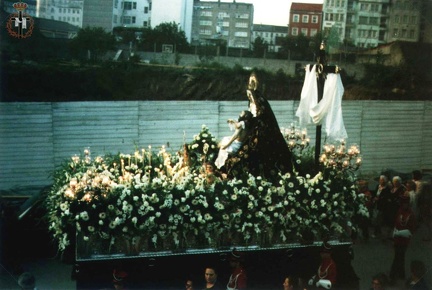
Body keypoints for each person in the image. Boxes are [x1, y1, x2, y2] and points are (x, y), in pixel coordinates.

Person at [244, 73, 294, 178]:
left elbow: (262, 116)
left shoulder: (260, 102)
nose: (248, 97)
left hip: (264, 132)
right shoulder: (251, 103)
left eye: (250, 95)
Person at [389, 195, 417, 283]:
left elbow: (412, 229)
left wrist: (400, 232)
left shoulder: (411, 214)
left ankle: (394, 274)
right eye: (403, 204)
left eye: (406, 204)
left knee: (399, 256)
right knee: (399, 256)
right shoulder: (400, 211)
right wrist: (395, 232)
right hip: (397, 238)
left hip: (404, 239)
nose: (404, 205)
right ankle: (400, 274)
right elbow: (396, 223)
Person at [374, 175, 394, 240]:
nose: (380, 181)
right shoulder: (378, 186)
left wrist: (379, 199)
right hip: (376, 205)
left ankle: (377, 232)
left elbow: (387, 198)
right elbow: (375, 193)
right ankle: (378, 231)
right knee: (376, 218)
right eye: (380, 180)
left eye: (381, 180)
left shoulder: (387, 189)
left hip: (382, 206)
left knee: (378, 218)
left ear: (384, 181)